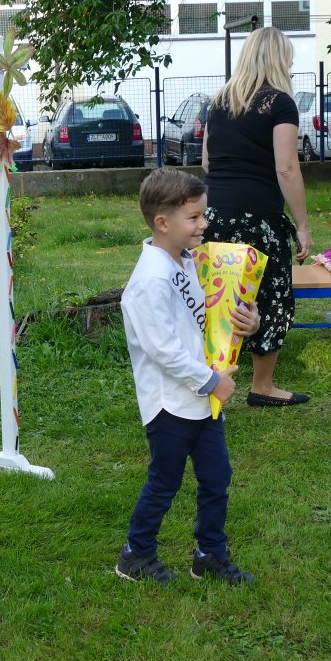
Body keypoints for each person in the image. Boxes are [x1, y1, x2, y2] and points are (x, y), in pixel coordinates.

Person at [115, 168, 259, 587]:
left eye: (203, 215)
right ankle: (136, 553)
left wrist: (248, 321)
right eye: (194, 217)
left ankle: (209, 555)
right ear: (163, 223)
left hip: (202, 400)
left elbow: (213, 315)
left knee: (216, 477)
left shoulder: (189, 260)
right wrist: (214, 382)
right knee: (165, 481)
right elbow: (163, 351)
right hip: (170, 403)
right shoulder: (150, 281)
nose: (204, 224)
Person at [201, 26, 314, 408]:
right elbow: (287, 168)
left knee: (220, 298)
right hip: (260, 217)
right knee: (271, 296)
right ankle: (262, 386)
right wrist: (302, 226)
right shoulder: (281, 104)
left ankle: (213, 384)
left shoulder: (219, 101)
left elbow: (207, 161)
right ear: (279, 61)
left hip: (215, 214)